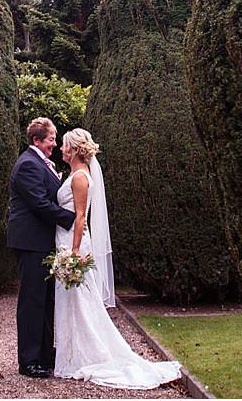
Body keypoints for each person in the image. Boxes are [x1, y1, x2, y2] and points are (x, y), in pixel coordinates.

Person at [53, 128, 182, 388]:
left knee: (80, 300)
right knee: (74, 300)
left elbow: (80, 217)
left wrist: (74, 252)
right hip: (67, 240)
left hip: (73, 243)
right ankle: (71, 353)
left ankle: (88, 354)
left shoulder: (80, 177)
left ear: (76, 150)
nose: (61, 149)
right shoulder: (76, 174)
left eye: (66, 146)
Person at [6, 117, 76, 378]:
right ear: (37, 140)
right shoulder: (28, 165)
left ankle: (45, 354)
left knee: (46, 300)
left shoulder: (41, 163)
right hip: (31, 242)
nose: (54, 144)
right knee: (32, 301)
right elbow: (38, 204)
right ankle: (28, 360)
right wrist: (72, 219)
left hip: (42, 242)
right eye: (51, 139)